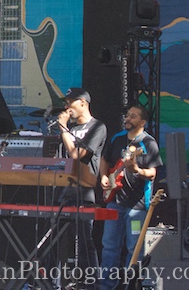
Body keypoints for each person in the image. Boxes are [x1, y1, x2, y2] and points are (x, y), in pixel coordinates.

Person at [99, 105, 161, 290]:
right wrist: (103, 177)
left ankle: (131, 286)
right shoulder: (117, 138)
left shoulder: (148, 143)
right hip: (115, 202)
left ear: (143, 122)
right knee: (109, 246)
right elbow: (104, 160)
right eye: (127, 115)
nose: (128, 118)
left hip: (137, 205)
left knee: (135, 249)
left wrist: (136, 170)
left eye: (133, 116)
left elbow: (152, 174)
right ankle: (106, 286)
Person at [55, 87, 107, 285]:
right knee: (57, 239)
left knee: (84, 241)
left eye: (70, 102)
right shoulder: (71, 129)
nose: (67, 107)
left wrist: (63, 129)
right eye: (66, 103)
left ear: (83, 103)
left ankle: (92, 284)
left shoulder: (97, 127)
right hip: (64, 190)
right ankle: (57, 282)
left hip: (84, 191)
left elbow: (78, 155)